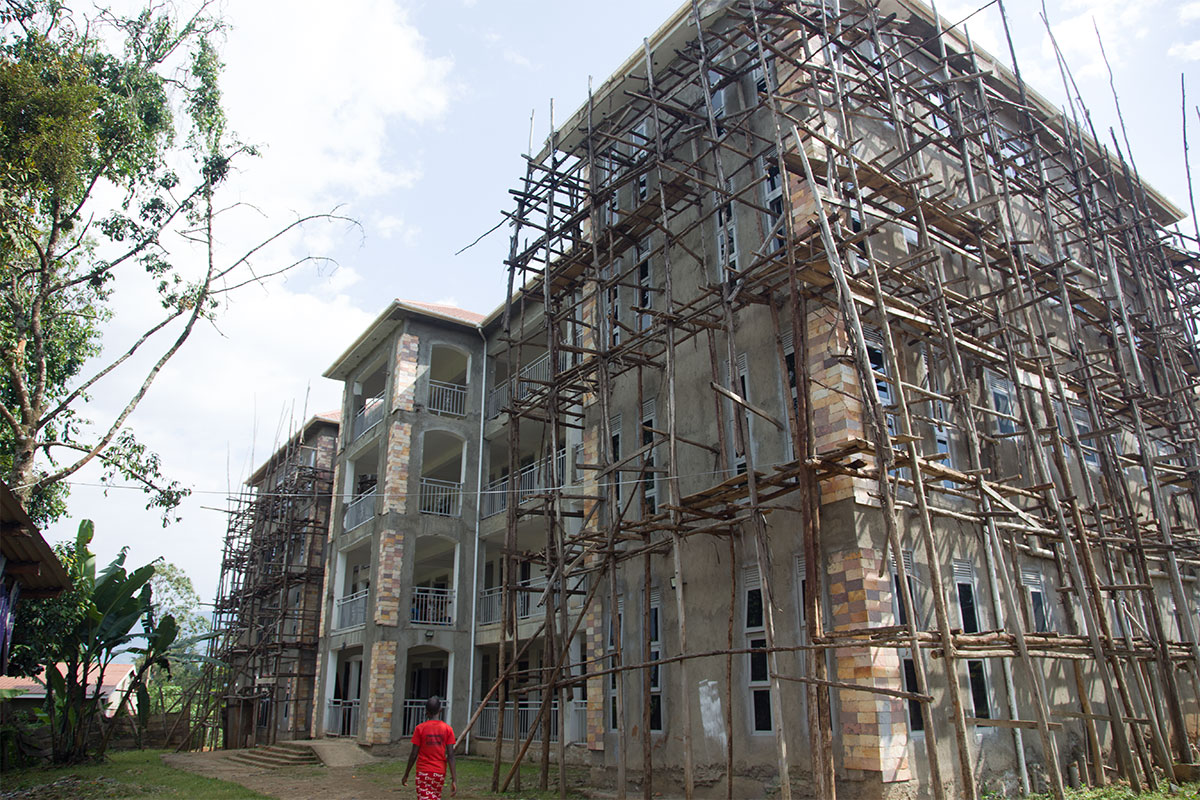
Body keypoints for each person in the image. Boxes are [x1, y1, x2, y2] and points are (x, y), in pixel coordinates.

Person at [401, 695, 457, 799]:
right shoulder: (448, 729)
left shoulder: (420, 729)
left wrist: (406, 774)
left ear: (426, 711)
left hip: (423, 772)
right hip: (439, 773)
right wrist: (454, 779)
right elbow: (451, 756)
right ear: (440, 710)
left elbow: (414, 754)